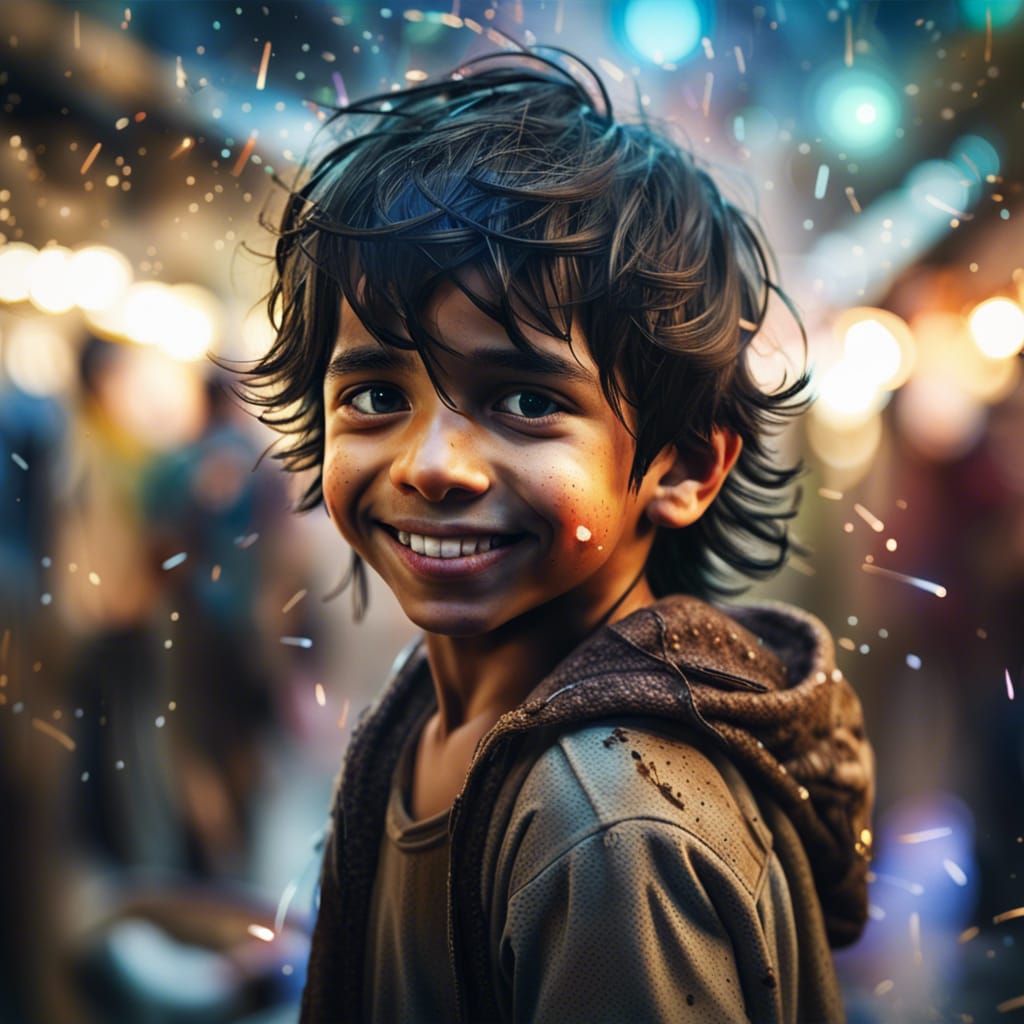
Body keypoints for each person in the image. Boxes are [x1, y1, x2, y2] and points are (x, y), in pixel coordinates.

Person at [239, 44, 875, 1024]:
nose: (430, 464)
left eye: (524, 399)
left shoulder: (607, 824)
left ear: (684, 468)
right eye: (374, 394)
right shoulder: (440, 721)